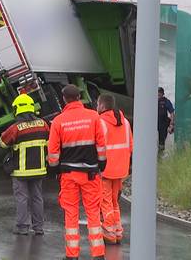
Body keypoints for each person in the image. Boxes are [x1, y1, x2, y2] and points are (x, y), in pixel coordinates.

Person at [48, 84, 107, 260]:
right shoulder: (94, 117)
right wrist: (101, 165)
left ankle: (72, 255)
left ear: (63, 99)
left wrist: (54, 168)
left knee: (71, 214)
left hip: (68, 175)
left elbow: (53, 153)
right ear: (80, 96)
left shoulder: (58, 121)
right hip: (91, 173)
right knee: (93, 214)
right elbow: (101, 145)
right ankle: (98, 254)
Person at [0, 93, 49, 236]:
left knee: (22, 198)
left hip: (20, 171)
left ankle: (22, 227)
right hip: (39, 170)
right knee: (37, 198)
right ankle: (38, 228)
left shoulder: (16, 128)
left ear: (17, 109)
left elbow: (3, 143)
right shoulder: (43, 124)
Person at [97, 94, 133, 245]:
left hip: (106, 170)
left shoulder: (101, 123)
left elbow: (98, 147)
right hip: (121, 169)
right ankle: (118, 231)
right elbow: (130, 146)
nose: (96, 107)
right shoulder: (125, 122)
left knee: (105, 202)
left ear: (103, 106)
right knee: (114, 201)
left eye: (97, 104)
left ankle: (109, 232)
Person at [157, 87, 174, 152]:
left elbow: (172, 113)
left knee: (162, 142)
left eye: (160, 93)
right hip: (154, 125)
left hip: (163, 125)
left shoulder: (166, 101)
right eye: (158, 92)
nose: (158, 94)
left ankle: (160, 156)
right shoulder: (151, 101)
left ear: (162, 94)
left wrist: (171, 124)